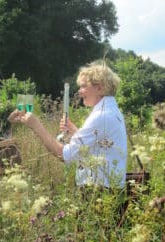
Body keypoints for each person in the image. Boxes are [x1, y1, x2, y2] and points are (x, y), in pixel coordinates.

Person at [8, 61, 127, 190]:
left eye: (83, 86)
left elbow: (63, 154)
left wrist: (36, 125)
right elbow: (96, 146)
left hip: (100, 191)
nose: (80, 92)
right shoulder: (111, 111)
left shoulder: (101, 115)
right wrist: (75, 131)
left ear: (99, 88)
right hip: (107, 189)